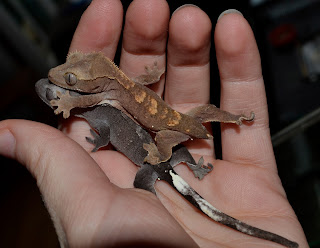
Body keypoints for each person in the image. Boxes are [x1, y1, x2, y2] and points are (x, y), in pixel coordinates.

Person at [0, 1, 308, 247]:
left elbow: (88, 101)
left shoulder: (109, 90)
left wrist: (69, 102)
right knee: (202, 113)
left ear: (99, 83)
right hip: (174, 123)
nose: (64, 78)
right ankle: (231, 121)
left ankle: (191, 140)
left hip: (169, 128)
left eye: (70, 78)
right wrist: (150, 78)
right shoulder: (116, 84)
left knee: (168, 138)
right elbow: (134, 85)